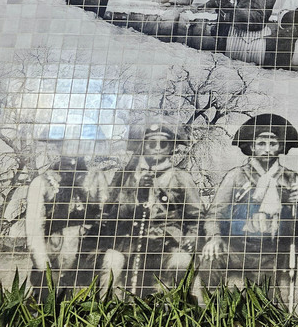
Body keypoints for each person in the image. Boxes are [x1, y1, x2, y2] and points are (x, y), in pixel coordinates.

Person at [200, 114, 298, 300]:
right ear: (252, 146)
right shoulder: (236, 176)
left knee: (266, 300)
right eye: (261, 143)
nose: (267, 149)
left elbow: (297, 218)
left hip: (271, 250)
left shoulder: (289, 177)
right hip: (236, 247)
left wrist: (296, 204)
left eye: (273, 144)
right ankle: (211, 312)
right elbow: (215, 214)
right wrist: (214, 237)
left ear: (281, 147)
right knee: (211, 259)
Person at [98, 123, 203, 296]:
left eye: (164, 144)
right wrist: (136, 197)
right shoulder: (125, 177)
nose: (157, 148)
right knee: (111, 262)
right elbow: (110, 215)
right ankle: (108, 314)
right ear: (143, 145)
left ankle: (182, 314)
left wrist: (189, 240)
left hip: (167, 244)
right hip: (129, 243)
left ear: (171, 148)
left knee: (182, 262)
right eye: (151, 143)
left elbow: (196, 217)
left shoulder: (181, 178)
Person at [24, 131, 107, 294]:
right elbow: (34, 230)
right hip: (56, 251)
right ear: (59, 147)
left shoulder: (96, 178)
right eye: (68, 144)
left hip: (89, 250)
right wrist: (43, 265)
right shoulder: (42, 182)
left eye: (79, 144)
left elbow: (106, 214)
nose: (74, 150)